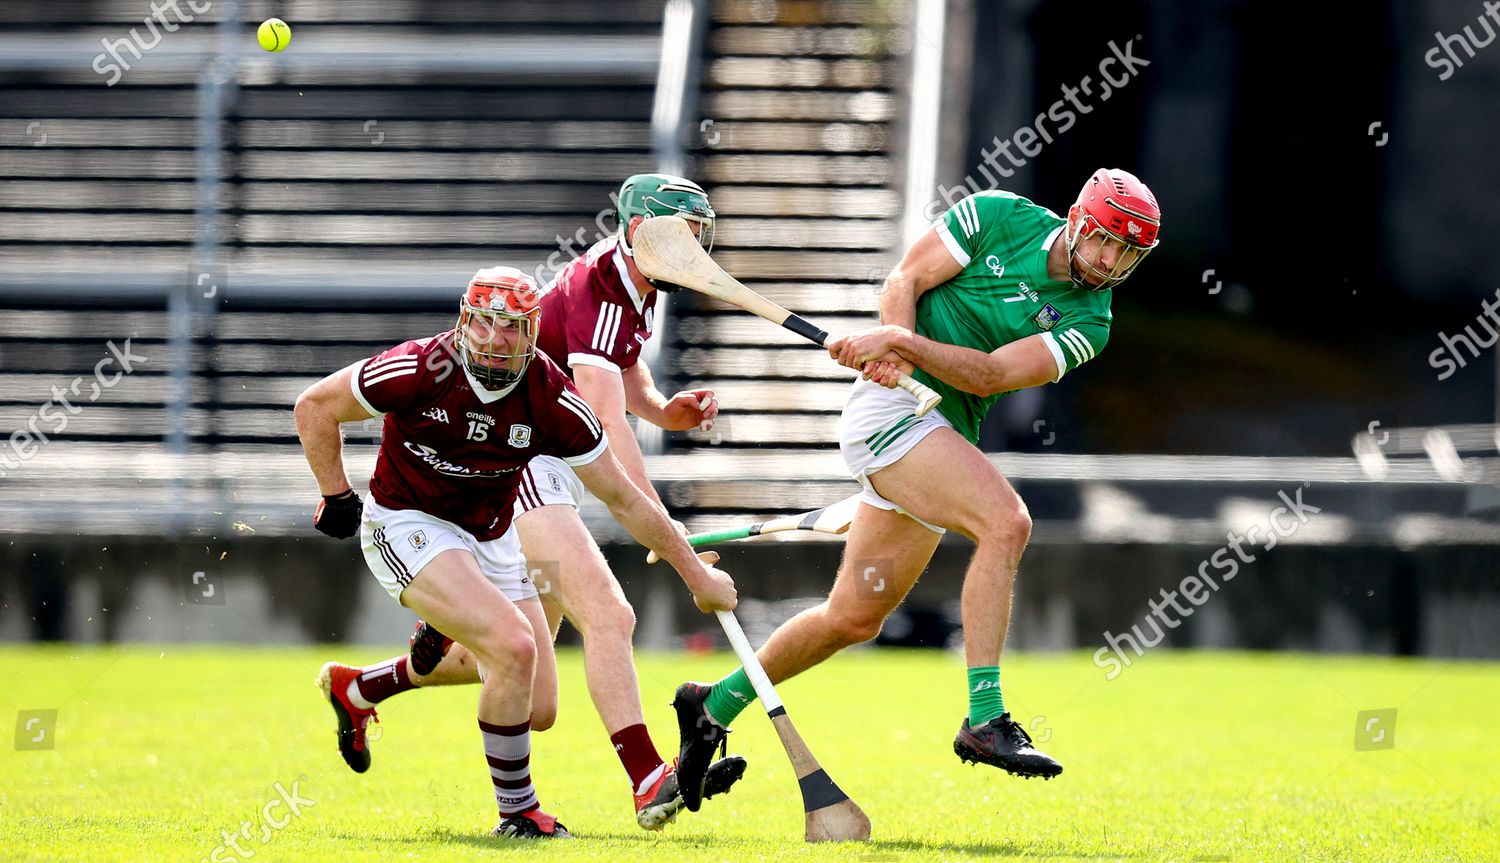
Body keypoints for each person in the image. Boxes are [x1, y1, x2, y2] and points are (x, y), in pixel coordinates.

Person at [669, 169, 1162, 808]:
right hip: (891, 416)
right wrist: (895, 351)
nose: (1109, 261)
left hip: (943, 431)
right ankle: (985, 719)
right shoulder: (997, 217)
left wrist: (900, 341)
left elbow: (987, 377)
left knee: (853, 618)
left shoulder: (1090, 322)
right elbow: (907, 278)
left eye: (1127, 253)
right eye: (1104, 241)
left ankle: (712, 705)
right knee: (1007, 523)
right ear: (1075, 217)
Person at [314, 176, 744, 831]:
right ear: (641, 235)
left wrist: (660, 408)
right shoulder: (602, 291)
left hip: (544, 450)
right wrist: (680, 551)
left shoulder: (639, 286)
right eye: (682, 235)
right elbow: (608, 431)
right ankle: (648, 778)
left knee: (532, 693)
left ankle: (364, 686)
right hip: (531, 462)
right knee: (608, 613)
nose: (694, 248)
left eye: (697, 235)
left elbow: (623, 372)